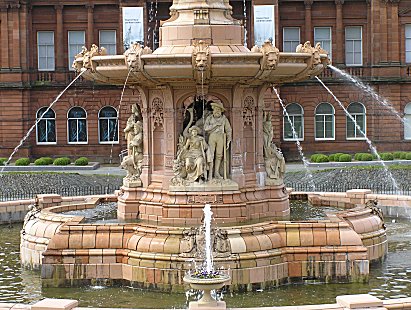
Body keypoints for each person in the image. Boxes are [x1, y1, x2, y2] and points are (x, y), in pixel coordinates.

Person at [204, 101, 232, 180]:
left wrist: (228, 140)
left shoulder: (224, 119)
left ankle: (216, 172)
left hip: (221, 137)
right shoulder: (209, 118)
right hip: (212, 137)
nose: (217, 111)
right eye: (215, 109)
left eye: (218, 110)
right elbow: (205, 128)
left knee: (219, 156)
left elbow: (228, 130)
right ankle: (210, 174)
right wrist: (215, 125)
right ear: (213, 110)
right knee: (211, 155)